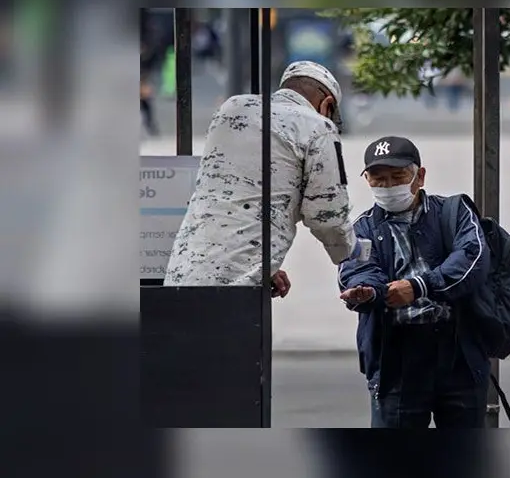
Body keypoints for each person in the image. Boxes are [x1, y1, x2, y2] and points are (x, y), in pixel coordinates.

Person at [165, 61, 363, 290]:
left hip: (184, 270)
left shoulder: (232, 108)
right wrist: (352, 250)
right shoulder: (317, 127)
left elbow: (242, 192)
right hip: (237, 283)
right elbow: (326, 215)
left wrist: (267, 266)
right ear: (327, 104)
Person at [338, 136, 492, 428]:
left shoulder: (454, 212)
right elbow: (357, 270)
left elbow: (472, 258)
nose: (388, 186)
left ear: (419, 176)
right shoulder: (362, 228)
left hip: (457, 350)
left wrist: (420, 286)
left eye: (398, 177)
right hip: (396, 356)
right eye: (378, 179)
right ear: (367, 180)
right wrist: (367, 292)